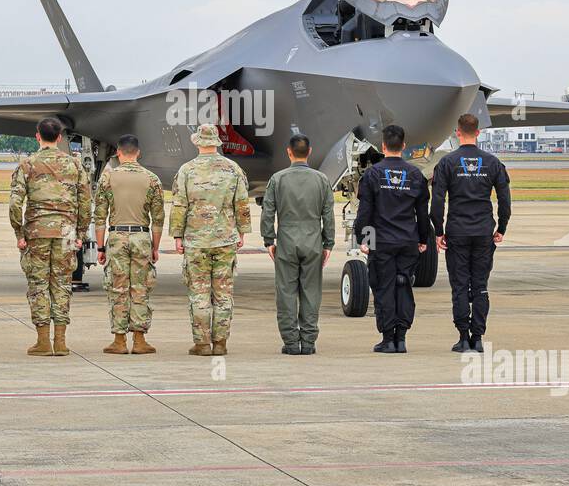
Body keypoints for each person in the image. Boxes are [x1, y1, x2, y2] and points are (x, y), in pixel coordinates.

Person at [9, 117, 92, 357]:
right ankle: (61, 341)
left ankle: (43, 341)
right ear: (59, 138)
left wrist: (19, 232)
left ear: (38, 136)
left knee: (38, 284)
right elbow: (85, 202)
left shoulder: (28, 164)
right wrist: (81, 233)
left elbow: (15, 203)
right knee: (63, 284)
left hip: (38, 231)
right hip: (66, 233)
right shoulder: (74, 165)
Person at [431, 112, 511, 354]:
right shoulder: (493, 163)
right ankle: (478, 337)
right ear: (478, 132)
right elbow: (505, 199)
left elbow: (437, 200)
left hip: (457, 232)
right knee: (480, 285)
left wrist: (439, 230)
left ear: (457, 132)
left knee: (459, 286)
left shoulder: (447, 163)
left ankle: (463, 337)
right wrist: (501, 227)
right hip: (483, 232)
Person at [169, 123, 251, 356]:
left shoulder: (187, 170)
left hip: (196, 241)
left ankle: (202, 343)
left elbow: (179, 205)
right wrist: (242, 233)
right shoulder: (233, 169)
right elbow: (242, 204)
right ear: (216, 142)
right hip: (225, 239)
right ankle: (221, 343)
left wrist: (177, 236)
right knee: (223, 293)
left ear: (197, 142)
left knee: (199, 293)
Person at [353, 124, 431, 354]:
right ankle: (402, 337)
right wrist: (423, 239)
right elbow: (422, 213)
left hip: (381, 241)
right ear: (404, 146)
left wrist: (363, 239)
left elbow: (364, 212)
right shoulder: (415, 174)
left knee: (384, 287)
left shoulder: (372, 174)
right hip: (408, 240)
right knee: (403, 284)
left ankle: (388, 339)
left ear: (383, 146)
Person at [260, 133, 335, 355]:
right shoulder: (321, 180)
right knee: (311, 293)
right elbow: (328, 214)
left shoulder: (278, 179)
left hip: (286, 241)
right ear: (309, 152)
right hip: (312, 241)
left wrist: (268, 240)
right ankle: (309, 342)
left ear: (289, 152)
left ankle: (291, 342)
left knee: (286, 293)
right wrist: (328, 243)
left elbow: (268, 212)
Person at [93, 134, 165, 355]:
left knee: (118, 288)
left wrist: (100, 247)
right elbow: (158, 218)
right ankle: (140, 339)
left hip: (117, 237)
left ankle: (119, 340)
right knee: (140, 288)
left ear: (118, 152)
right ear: (138, 153)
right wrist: (154, 247)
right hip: (141, 237)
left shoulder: (108, 179)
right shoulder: (152, 179)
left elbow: (99, 216)